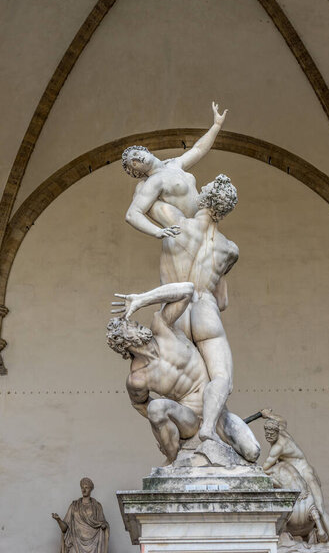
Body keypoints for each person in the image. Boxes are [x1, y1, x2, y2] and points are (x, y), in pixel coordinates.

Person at [107, 282, 260, 464]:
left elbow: (187, 289)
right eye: (130, 325)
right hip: (189, 419)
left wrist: (142, 299)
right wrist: (165, 429)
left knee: (252, 452)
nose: (136, 324)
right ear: (122, 341)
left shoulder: (162, 327)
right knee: (156, 408)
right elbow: (140, 405)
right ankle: (173, 459)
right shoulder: (138, 378)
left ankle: (208, 430)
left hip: (218, 412)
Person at [152, 174, 239, 445]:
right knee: (221, 377)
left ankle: (181, 431)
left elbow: (147, 199)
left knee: (183, 385)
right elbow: (222, 301)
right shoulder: (229, 249)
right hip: (205, 310)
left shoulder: (175, 220)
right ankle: (208, 429)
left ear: (202, 198)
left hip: (176, 312)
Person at [123, 101, 227, 239]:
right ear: (136, 172)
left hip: (205, 224)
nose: (137, 160)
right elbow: (132, 214)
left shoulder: (175, 164)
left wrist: (216, 126)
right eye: (133, 163)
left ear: (145, 151)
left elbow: (199, 149)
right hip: (190, 232)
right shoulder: (154, 181)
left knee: (232, 251)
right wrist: (157, 231)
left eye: (136, 154)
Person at [262, 411, 329, 551]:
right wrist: (268, 415)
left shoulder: (277, 447)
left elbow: (265, 468)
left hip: (305, 473)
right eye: (266, 434)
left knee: (320, 509)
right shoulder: (283, 432)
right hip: (298, 472)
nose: (269, 437)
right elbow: (282, 421)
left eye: (271, 434)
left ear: (276, 432)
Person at [52, 477, 109, 553]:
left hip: (93, 543)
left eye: (86, 487)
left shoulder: (97, 506)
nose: (84, 490)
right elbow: (64, 529)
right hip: (75, 541)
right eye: (82, 487)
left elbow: (103, 524)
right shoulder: (74, 506)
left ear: (91, 489)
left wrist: (104, 526)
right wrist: (58, 520)